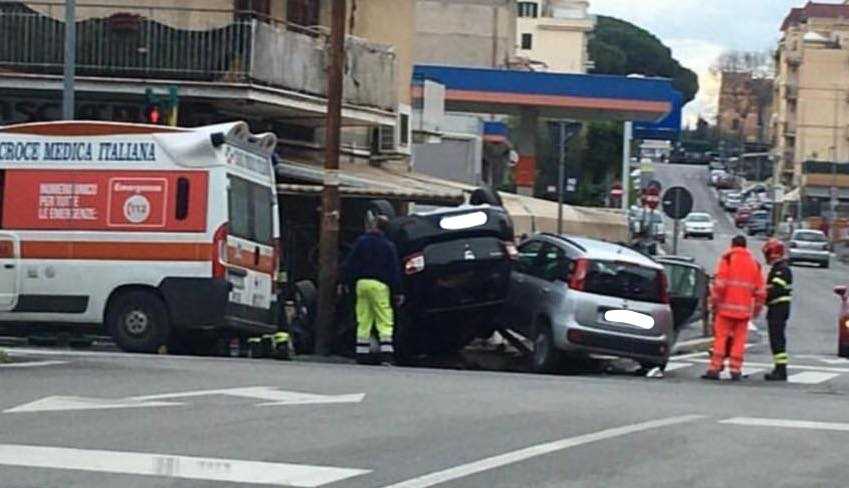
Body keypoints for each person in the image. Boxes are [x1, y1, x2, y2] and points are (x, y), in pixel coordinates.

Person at [702, 235, 766, 381]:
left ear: (732, 245)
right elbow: (761, 292)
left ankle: (715, 368)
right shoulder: (754, 263)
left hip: (725, 309)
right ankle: (735, 369)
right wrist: (756, 311)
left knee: (721, 338)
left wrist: (714, 303)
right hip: (743, 311)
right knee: (739, 340)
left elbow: (719, 285)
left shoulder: (727, 259)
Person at [342, 215, 402, 365]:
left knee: (363, 318)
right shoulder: (388, 246)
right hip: (380, 285)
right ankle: (386, 355)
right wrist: (398, 291)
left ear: (374, 226)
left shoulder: (361, 242)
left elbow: (350, 263)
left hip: (361, 284)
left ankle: (361, 354)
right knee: (384, 319)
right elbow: (394, 270)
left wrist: (344, 282)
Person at [762, 239, 793, 381]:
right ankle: (779, 368)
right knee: (776, 339)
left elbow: (775, 289)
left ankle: (781, 370)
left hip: (778, 309)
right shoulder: (779, 268)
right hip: (777, 308)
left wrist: (760, 292)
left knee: (777, 340)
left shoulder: (782, 270)